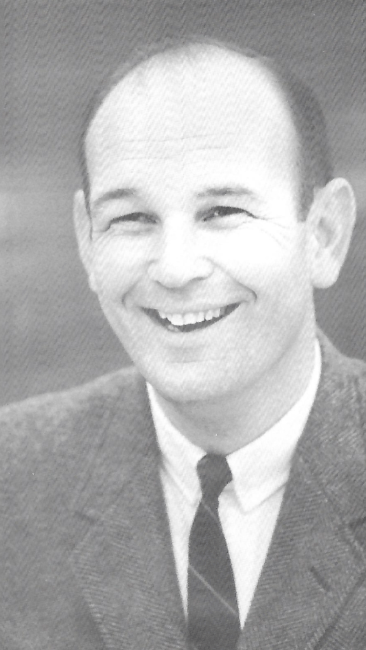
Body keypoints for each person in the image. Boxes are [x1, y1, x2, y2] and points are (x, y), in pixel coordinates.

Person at [0, 36, 365, 650]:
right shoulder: (11, 479)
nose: (174, 268)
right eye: (132, 219)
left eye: (222, 211)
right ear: (88, 243)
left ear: (324, 234)